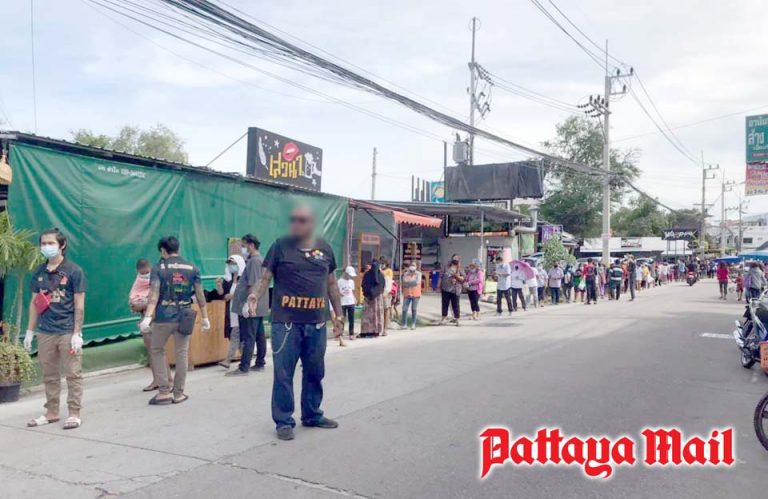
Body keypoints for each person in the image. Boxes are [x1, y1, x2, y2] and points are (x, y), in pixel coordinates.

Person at [245, 206, 342, 441]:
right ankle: (283, 421)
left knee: (315, 371)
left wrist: (338, 315)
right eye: (294, 220)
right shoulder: (281, 246)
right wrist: (255, 295)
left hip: (317, 323)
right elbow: (265, 277)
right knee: (283, 373)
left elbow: (331, 283)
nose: (297, 224)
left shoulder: (325, 248)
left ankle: (312, 414)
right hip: (286, 324)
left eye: (302, 220)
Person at [24, 228, 86, 430]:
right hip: (46, 331)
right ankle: (51, 412)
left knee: (73, 374)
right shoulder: (39, 272)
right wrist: (30, 331)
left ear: (62, 245)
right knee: (49, 374)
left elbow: (79, 304)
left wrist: (77, 333)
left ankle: (74, 413)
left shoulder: (74, 271)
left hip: (67, 330)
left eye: (50, 243)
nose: (46, 247)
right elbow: (35, 303)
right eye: (43, 243)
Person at [140, 236, 211, 405]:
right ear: (178, 249)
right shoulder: (192, 268)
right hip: (185, 316)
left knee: (157, 349)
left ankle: (164, 392)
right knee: (182, 353)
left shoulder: (158, 268)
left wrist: (147, 317)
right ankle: (179, 394)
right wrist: (205, 317)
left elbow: (154, 293)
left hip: (164, 316)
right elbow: (200, 294)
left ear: (163, 250)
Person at [226, 234, 269, 376]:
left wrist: (248, 304)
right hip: (258, 305)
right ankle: (260, 362)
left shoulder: (254, 261)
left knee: (249, 336)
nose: (242, 249)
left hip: (252, 305)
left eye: (244, 246)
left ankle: (244, 367)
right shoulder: (258, 260)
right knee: (259, 335)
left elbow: (252, 283)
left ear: (251, 245)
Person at [130, 258, 172, 391]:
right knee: (151, 350)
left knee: (158, 349)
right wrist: (137, 305)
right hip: (145, 318)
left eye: (147, 273)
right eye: (142, 273)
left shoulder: (157, 279)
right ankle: (157, 380)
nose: (145, 276)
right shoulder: (138, 282)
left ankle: (167, 380)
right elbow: (134, 298)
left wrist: (144, 305)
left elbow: (158, 298)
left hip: (157, 317)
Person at [212, 255, 246, 369]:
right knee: (236, 336)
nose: (231, 266)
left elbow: (245, 293)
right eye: (230, 264)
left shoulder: (244, 278)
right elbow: (222, 294)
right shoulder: (228, 279)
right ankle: (245, 357)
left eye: (233, 263)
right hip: (230, 312)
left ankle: (228, 359)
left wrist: (233, 296)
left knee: (236, 334)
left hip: (240, 311)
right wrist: (218, 285)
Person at [361, 260, 386, 336]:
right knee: (367, 315)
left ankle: (376, 330)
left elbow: (381, 286)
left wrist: (374, 293)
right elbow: (363, 285)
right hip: (368, 298)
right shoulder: (367, 275)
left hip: (377, 298)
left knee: (376, 314)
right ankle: (366, 331)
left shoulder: (380, 276)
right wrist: (368, 293)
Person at [439, 254, 465, 326]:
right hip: (445, 288)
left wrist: (457, 276)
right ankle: (444, 318)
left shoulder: (460, 268)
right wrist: (438, 285)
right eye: (454, 258)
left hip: (456, 289)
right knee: (445, 304)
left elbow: (463, 278)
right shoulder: (446, 267)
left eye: (457, 259)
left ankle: (457, 319)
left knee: (456, 305)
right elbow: (441, 276)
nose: (455, 260)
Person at [337, 266, 358, 339]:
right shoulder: (339, 281)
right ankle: (340, 333)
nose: (350, 276)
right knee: (342, 318)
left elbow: (352, 291)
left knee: (351, 319)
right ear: (346, 273)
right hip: (343, 302)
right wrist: (339, 294)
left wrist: (354, 298)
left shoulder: (351, 281)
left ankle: (351, 333)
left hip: (350, 301)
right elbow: (336, 291)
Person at [401, 262, 423, 328]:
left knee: (414, 309)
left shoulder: (419, 274)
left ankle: (413, 324)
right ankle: (404, 324)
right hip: (407, 293)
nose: (412, 266)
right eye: (411, 265)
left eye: (414, 265)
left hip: (416, 294)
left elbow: (417, 282)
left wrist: (408, 283)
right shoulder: (406, 273)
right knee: (404, 309)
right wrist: (410, 283)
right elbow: (403, 282)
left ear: (416, 266)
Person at [380, 256, 394, 331]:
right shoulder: (380, 270)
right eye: (380, 263)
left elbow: (388, 281)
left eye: (383, 263)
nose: (381, 264)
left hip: (386, 292)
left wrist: (380, 270)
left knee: (386, 309)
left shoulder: (389, 271)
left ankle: (385, 328)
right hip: (380, 292)